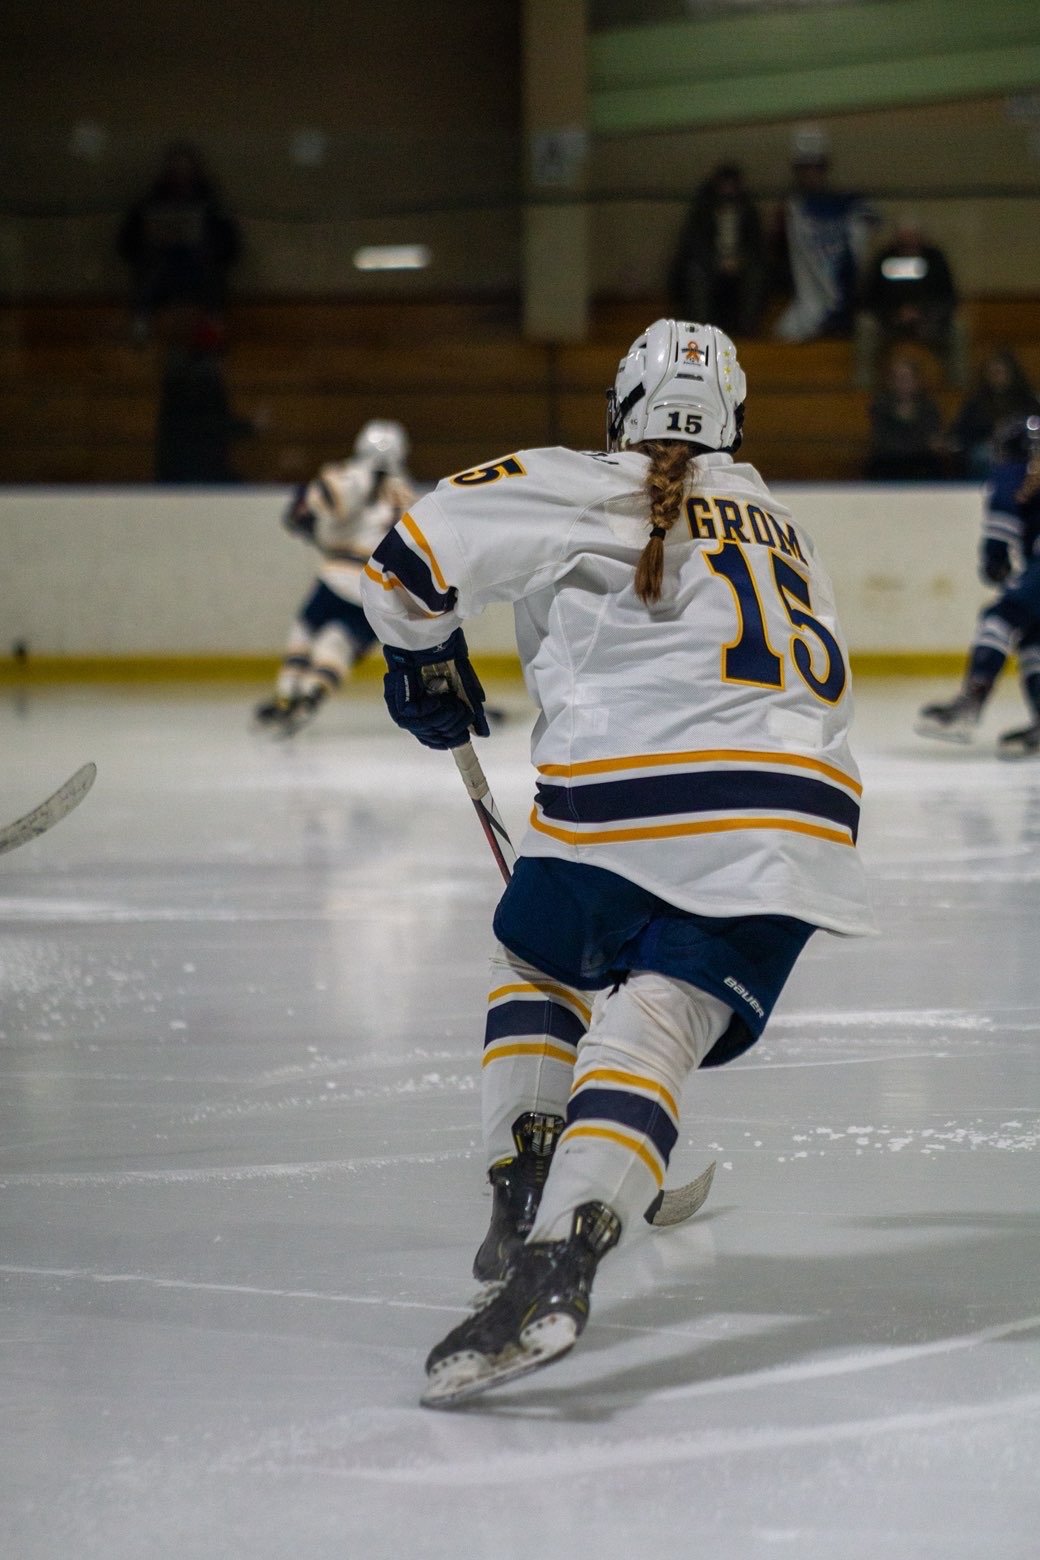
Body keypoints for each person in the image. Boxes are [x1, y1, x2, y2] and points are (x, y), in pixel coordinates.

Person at [360, 318, 875, 1407]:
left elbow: (405, 562)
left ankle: (524, 1176)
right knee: (655, 1025)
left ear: (621, 409)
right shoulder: (784, 522)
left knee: (536, 963)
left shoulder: (581, 481)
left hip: (631, 798)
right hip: (802, 821)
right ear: (734, 422)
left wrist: (422, 665)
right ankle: (564, 1254)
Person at [254, 421, 416, 735]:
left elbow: (323, 501)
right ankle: (313, 693)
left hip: (340, 573)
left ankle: (287, 694)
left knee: (305, 629)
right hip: (383, 588)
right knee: (341, 643)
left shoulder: (356, 474)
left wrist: (310, 519)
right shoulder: (407, 492)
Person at [915, 413, 1040, 757]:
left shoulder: (1014, 472)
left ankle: (972, 701)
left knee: (1000, 617)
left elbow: (1000, 529)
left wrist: (995, 560)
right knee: (1033, 635)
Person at [117, 143, 241, 342]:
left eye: (185, 171)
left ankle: (213, 325)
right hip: (161, 269)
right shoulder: (149, 204)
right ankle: (140, 327)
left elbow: (231, 245)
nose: (180, 176)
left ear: (195, 173)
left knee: (213, 276)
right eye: (175, 171)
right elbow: (126, 243)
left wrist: (210, 249)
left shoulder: (211, 205)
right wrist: (149, 243)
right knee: (146, 275)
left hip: (199, 269)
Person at [772, 138, 878, 344]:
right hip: (806, 296)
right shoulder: (792, 207)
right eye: (806, 168)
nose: (811, 174)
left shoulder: (845, 204)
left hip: (843, 297)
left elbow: (867, 224)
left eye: (816, 168)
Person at [854, 218, 966, 390]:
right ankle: (862, 387)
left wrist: (923, 313)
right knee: (865, 325)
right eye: (904, 237)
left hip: (929, 322)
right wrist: (894, 314)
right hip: (890, 323)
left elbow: (948, 297)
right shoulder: (884, 259)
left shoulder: (935, 259)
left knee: (958, 327)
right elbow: (869, 299)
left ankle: (957, 387)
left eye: (913, 237)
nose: (909, 242)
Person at [153, 311, 256, 483]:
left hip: (184, 470)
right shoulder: (203, 385)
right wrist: (248, 427)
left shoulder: (183, 381)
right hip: (193, 473)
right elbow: (209, 425)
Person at [668, 163, 766, 338]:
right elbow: (693, 244)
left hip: (740, 264)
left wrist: (739, 260)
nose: (728, 191)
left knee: (756, 275)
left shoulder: (748, 210)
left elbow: (756, 245)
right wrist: (716, 261)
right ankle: (700, 333)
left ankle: (747, 332)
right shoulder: (703, 209)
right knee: (695, 275)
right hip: (709, 264)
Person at [947, 349, 1040, 481]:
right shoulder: (976, 402)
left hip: (1019, 455)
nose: (996, 377)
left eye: (1000, 372)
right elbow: (961, 432)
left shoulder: (1026, 402)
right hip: (984, 452)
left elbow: (1032, 433)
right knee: (983, 455)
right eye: (992, 373)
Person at [864, 355, 947, 482]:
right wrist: (917, 444)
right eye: (897, 378)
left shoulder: (929, 407)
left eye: (906, 378)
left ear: (916, 381)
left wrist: (919, 445)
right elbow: (882, 439)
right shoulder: (880, 406)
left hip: (921, 460)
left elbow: (931, 438)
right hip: (889, 459)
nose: (902, 383)